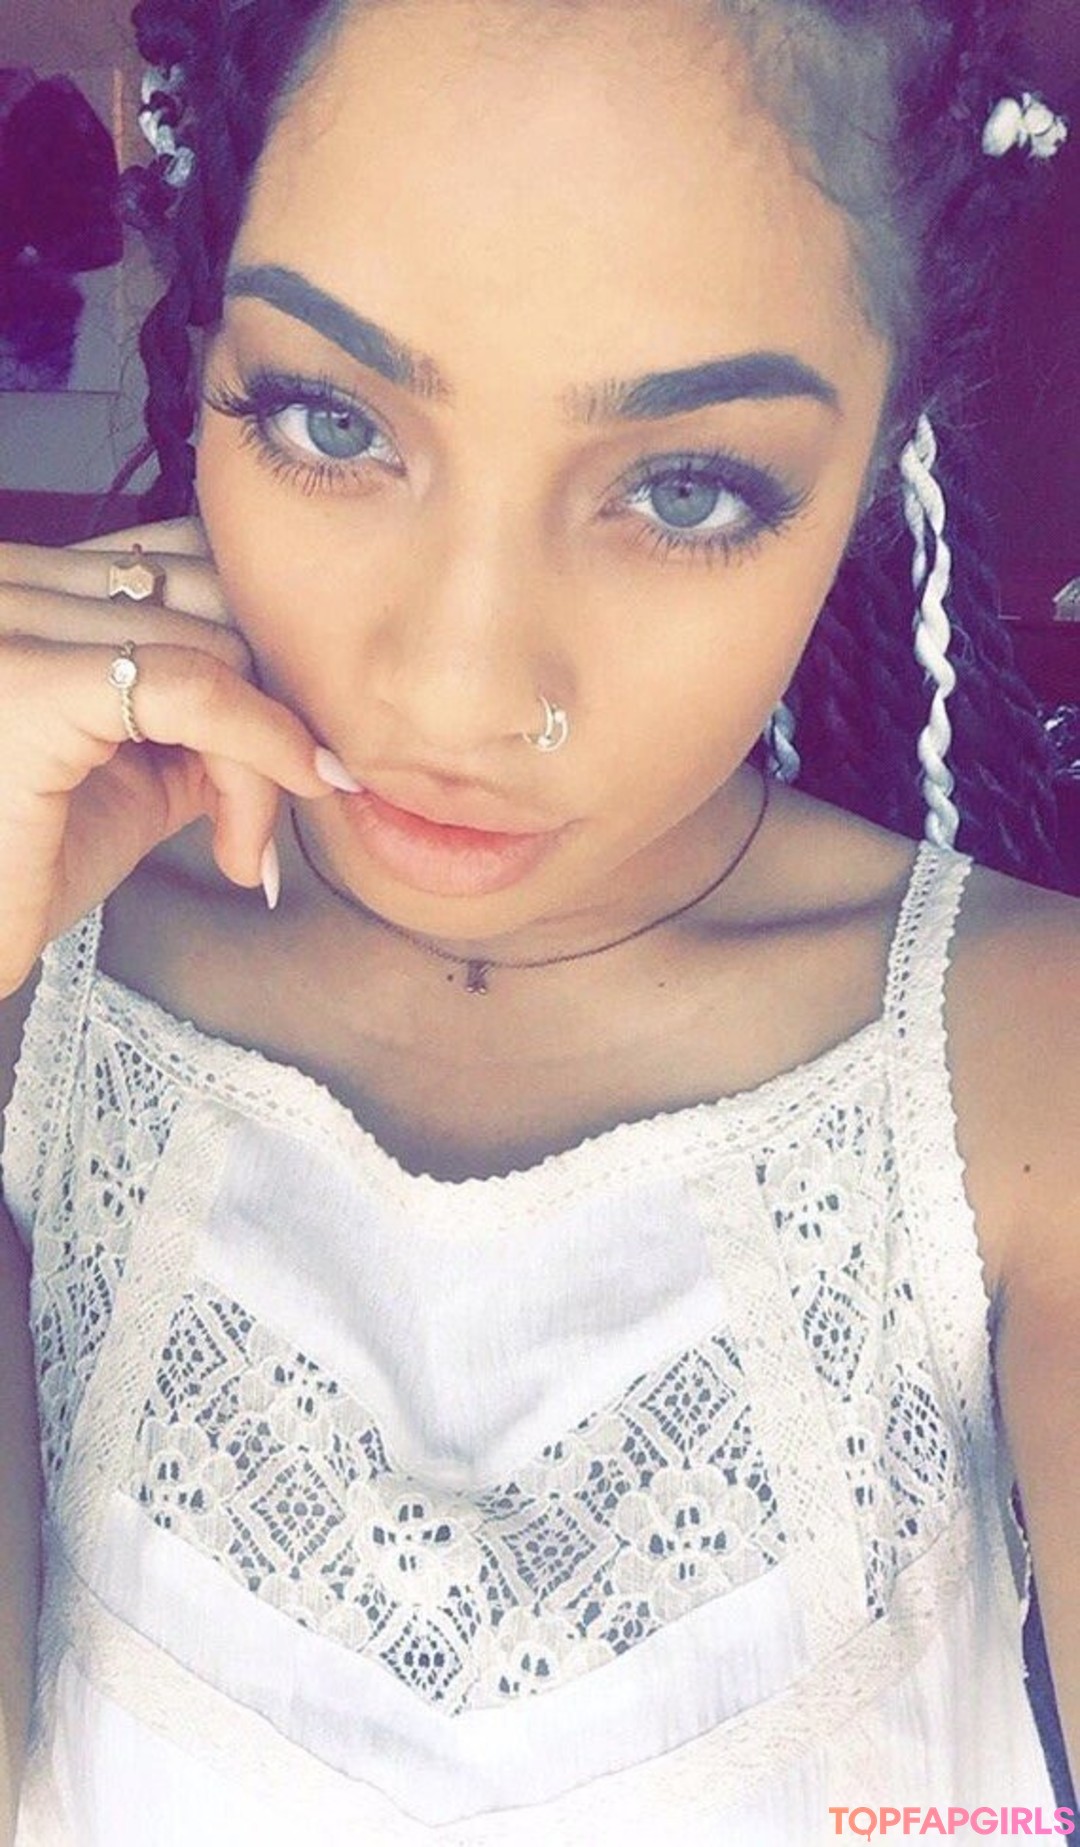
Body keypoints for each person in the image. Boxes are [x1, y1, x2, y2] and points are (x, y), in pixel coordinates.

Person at [0, 0, 1076, 1841]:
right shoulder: (37, 977)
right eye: (332, 419)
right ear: (208, 362)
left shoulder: (1028, 1070)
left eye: (685, 488)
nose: (461, 692)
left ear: (878, 455)